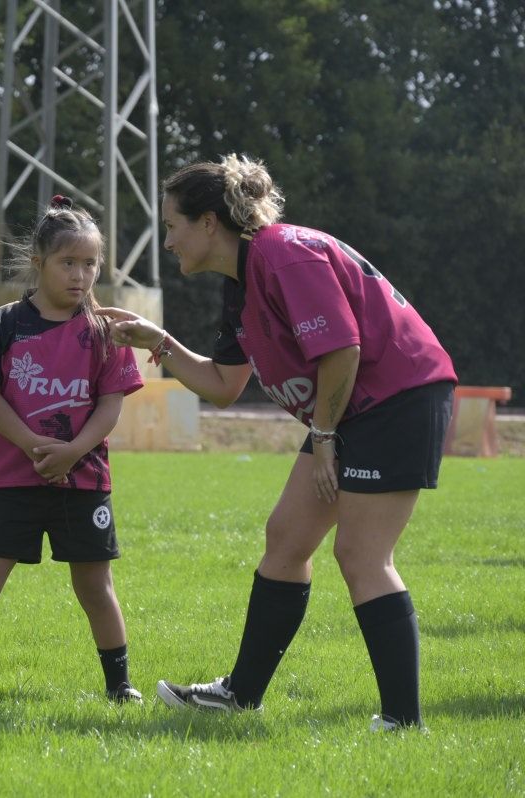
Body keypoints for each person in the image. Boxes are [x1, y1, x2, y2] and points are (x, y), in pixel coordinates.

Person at [97, 154, 456, 730]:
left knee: (361, 556)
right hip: (353, 412)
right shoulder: (242, 281)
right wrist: (158, 341)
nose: (167, 241)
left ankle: (402, 721)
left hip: (397, 400)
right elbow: (221, 385)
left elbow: (343, 350)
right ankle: (241, 695)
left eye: (171, 225)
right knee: (286, 539)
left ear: (209, 222)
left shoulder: (284, 253)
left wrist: (323, 437)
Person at [0, 196, 145, 702]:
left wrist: (74, 450)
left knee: (95, 590)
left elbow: (110, 404)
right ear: (39, 264)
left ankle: (121, 688)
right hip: (15, 481)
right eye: (68, 263)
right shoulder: (3, 323)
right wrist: (37, 445)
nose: (80, 275)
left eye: (90, 264)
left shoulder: (107, 330)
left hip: (83, 483)